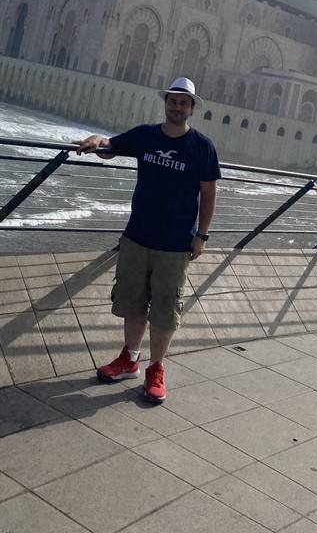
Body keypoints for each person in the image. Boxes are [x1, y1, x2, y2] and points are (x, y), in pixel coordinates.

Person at [72, 76, 220, 403]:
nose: (177, 106)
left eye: (183, 102)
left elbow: (209, 194)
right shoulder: (145, 136)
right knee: (133, 301)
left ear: (192, 108)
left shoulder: (202, 147)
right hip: (137, 236)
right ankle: (130, 360)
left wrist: (202, 235)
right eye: (173, 100)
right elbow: (112, 148)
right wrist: (97, 140)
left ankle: (156, 368)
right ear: (165, 102)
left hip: (175, 243)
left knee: (166, 308)